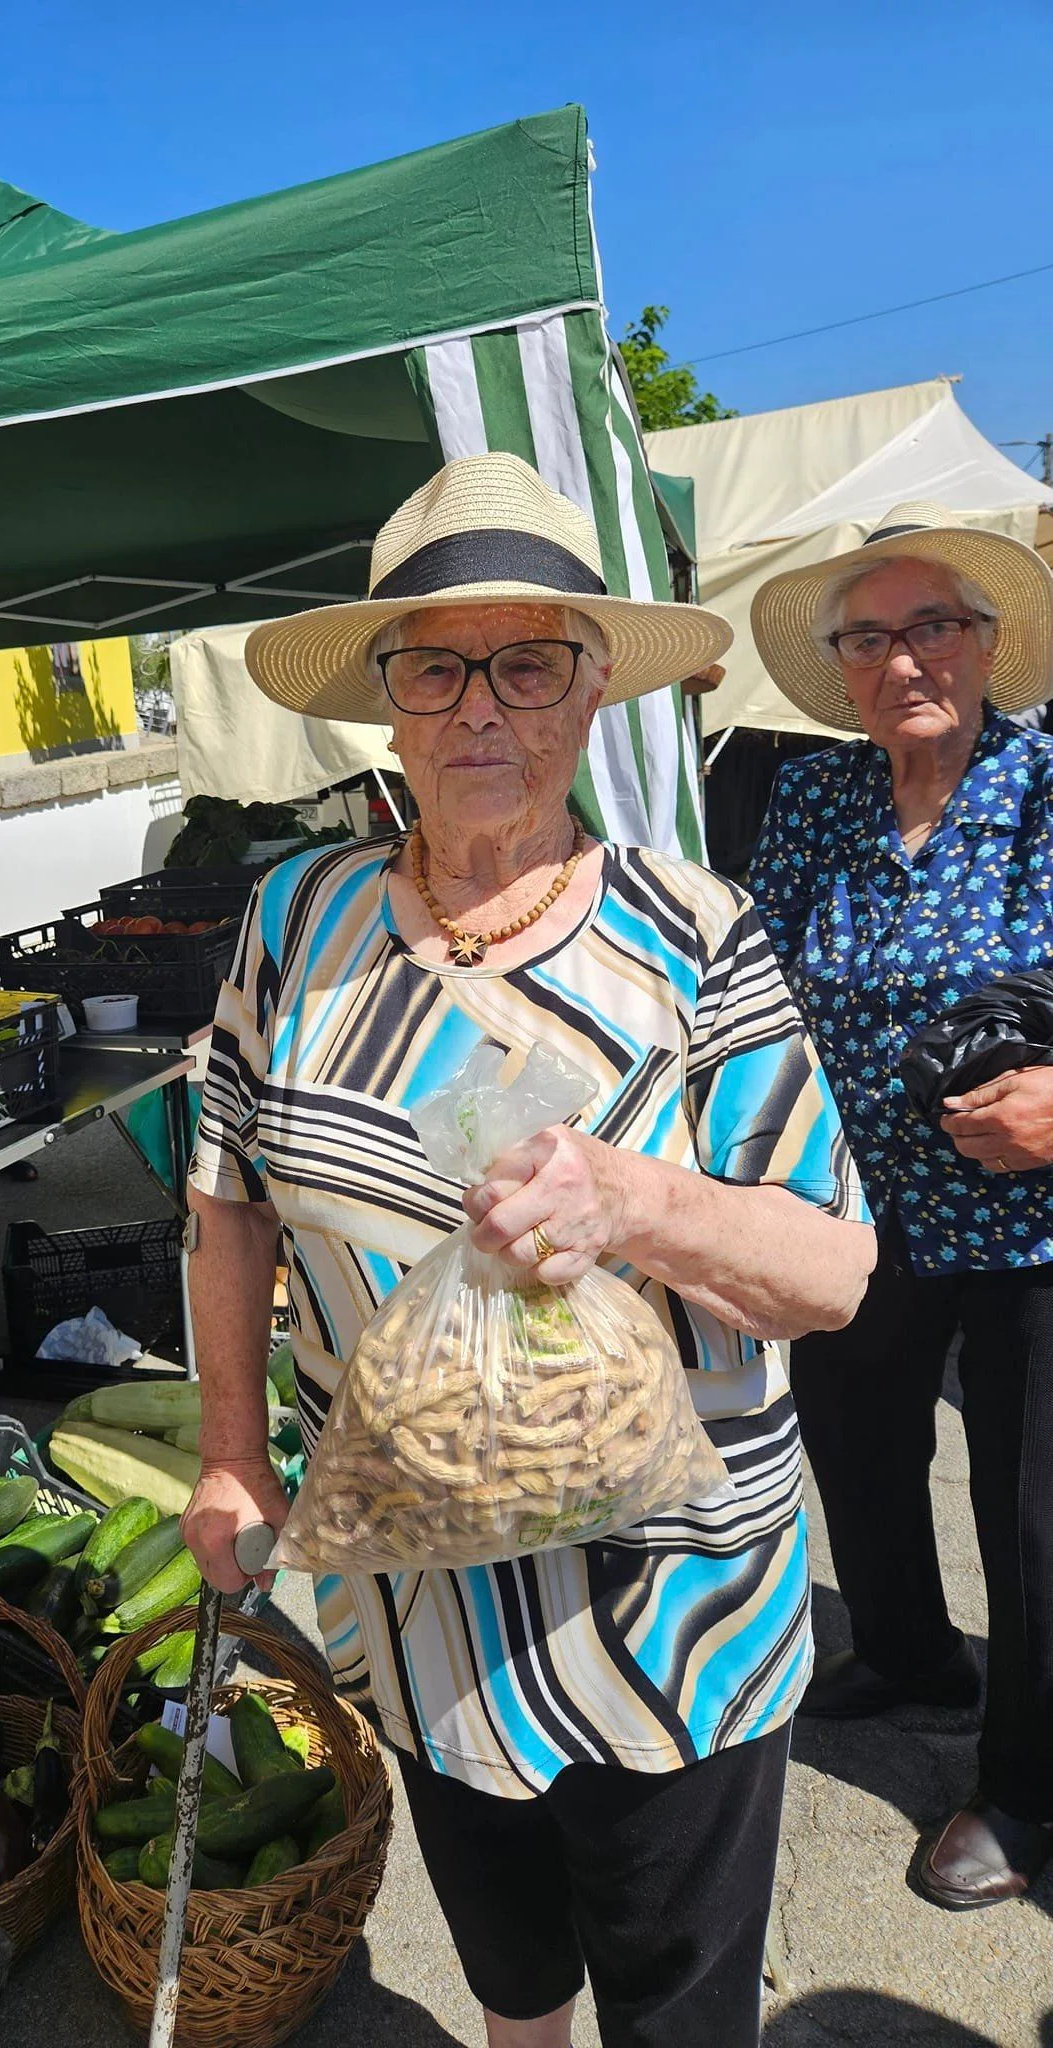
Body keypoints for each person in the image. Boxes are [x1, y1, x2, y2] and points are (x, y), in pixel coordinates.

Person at [183, 454, 875, 2048]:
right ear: (388, 698)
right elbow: (226, 1194)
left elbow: (830, 1272)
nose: (481, 704)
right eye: (436, 662)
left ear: (590, 695)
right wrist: (230, 1451)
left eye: (529, 661)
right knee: (511, 1976)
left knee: (675, 2002)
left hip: (670, 1608)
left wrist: (637, 1205)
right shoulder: (294, 921)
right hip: (416, 1598)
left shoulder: (696, 932)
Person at [747, 502, 1053, 1909]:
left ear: (989, 646)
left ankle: (1029, 1789)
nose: (903, 659)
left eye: (933, 625)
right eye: (869, 638)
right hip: (855, 1214)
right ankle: (911, 1652)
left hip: (1033, 1231)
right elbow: (750, 987)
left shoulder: (1048, 781)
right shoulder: (815, 799)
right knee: (857, 1451)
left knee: (1035, 1511)